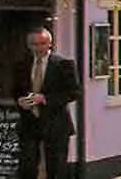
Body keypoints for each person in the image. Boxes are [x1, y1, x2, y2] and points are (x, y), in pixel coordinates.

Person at [13, 27, 79, 179]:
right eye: (34, 44)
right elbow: (15, 90)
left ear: (50, 44)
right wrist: (20, 101)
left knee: (56, 168)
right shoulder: (21, 65)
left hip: (56, 123)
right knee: (27, 166)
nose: (39, 48)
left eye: (42, 43)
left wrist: (44, 99)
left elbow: (74, 92)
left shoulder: (63, 64)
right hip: (30, 122)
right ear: (29, 46)